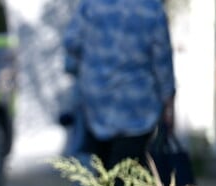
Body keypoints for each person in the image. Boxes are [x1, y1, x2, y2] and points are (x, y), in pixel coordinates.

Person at [63, 0, 176, 172]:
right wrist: (168, 101)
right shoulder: (151, 8)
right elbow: (162, 60)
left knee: (102, 173)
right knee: (126, 175)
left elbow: (72, 43)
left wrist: (82, 72)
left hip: (96, 104)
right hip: (137, 107)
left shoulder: (91, 5)